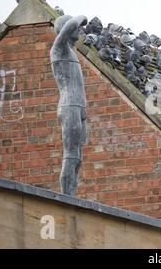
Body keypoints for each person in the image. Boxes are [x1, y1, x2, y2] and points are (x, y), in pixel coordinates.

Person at [50, 15, 88, 195]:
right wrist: (82, 18)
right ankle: (67, 198)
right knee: (71, 155)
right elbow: (72, 23)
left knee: (78, 157)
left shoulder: (71, 52)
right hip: (70, 105)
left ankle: (72, 194)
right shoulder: (59, 49)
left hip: (80, 107)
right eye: (77, 27)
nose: (79, 29)